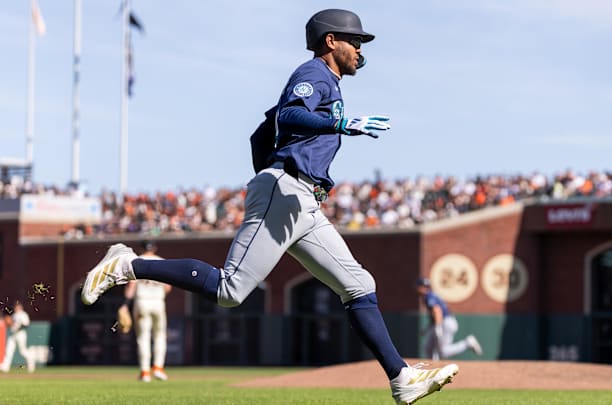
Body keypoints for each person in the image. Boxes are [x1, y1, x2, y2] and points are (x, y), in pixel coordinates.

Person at [81, 9, 458, 404]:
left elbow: (260, 133)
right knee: (230, 290)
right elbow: (291, 114)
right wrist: (291, 167)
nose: (359, 50)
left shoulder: (327, 81)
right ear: (331, 41)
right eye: (354, 41)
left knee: (359, 286)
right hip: (288, 191)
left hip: (301, 202)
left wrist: (283, 173)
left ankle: (401, 377)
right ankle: (126, 265)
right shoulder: (314, 73)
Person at [119, 240, 172, 382]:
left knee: (143, 338)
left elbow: (131, 287)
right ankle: (158, 368)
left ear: (141, 248)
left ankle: (145, 372)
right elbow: (168, 287)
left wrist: (125, 304)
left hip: (142, 302)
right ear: (155, 248)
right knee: (160, 336)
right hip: (158, 302)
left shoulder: (137, 261)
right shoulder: (162, 262)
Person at [416, 278, 483, 360]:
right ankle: (431, 365)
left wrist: (438, 327)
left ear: (422, 287)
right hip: (444, 322)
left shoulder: (428, 296)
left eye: (419, 287)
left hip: (445, 323)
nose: (417, 289)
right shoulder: (431, 295)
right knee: (428, 347)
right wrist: (428, 328)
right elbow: (434, 315)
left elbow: (437, 311)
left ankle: (467, 343)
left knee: (443, 351)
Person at [0, 300, 35, 373]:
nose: (16, 308)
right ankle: (5, 367)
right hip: (13, 334)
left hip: (20, 334)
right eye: (15, 306)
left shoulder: (23, 314)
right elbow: (10, 324)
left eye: (17, 306)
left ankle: (31, 361)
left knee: (23, 351)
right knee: (9, 350)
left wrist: (18, 327)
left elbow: (26, 324)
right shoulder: (14, 315)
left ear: (20, 307)